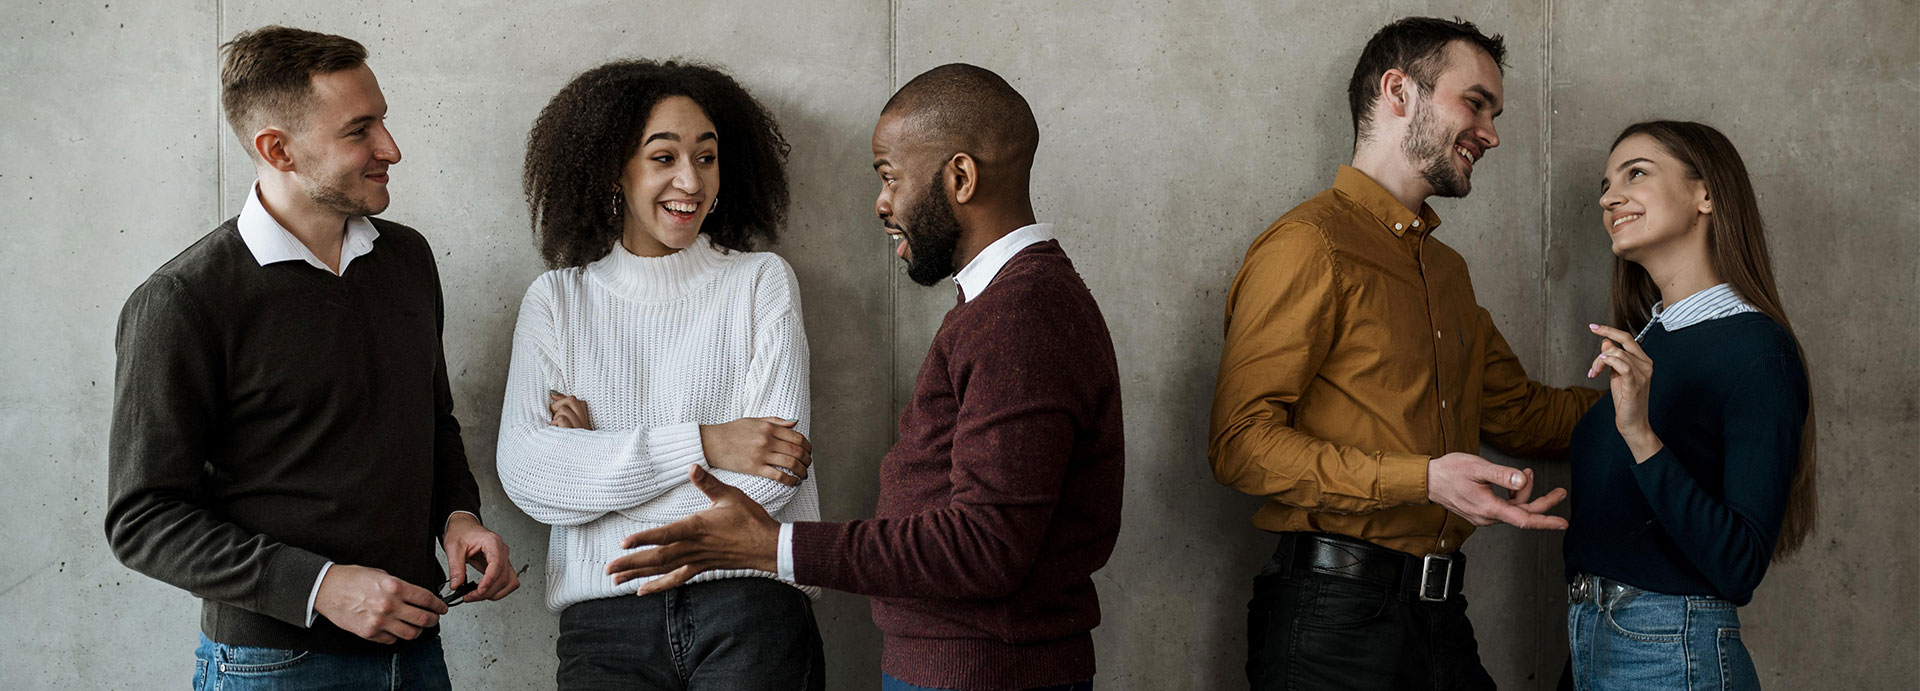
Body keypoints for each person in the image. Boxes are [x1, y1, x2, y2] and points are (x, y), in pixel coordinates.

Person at [604, 63, 1125, 691]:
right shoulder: (1002, 307)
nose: (882, 203)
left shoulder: (1021, 315)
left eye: (890, 176)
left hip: (985, 675)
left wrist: (774, 546)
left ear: (960, 177)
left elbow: (985, 546)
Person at [104, 25, 518, 690]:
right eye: (359, 130)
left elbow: (432, 421)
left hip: (416, 655)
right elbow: (142, 518)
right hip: (272, 667)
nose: (391, 148)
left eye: (382, 120)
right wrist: (320, 586)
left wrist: (458, 517)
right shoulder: (183, 300)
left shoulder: (407, 259)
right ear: (278, 149)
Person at [1207, 16, 1604, 690]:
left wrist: (1654, 398)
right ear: (1398, 91)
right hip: (1332, 624)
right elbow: (1239, 444)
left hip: (1441, 619)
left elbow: (1522, 414)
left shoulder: (1447, 273)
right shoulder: (1309, 244)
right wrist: (1422, 480)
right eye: (1475, 103)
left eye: (1495, 114)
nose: (1491, 133)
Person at [500, 59, 823, 690]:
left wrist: (592, 468)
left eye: (706, 157)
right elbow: (529, 475)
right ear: (614, 170)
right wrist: (709, 442)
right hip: (606, 629)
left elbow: (771, 484)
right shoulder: (557, 302)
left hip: (749, 613)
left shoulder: (760, 282)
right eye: (663, 157)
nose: (690, 180)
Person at [1561, 120, 1816, 691]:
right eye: (1605, 185)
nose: (1609, 198)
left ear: (1706, 195)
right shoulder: (1647, 343)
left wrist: (1641, 436)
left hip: (1670, 651)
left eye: (1635, 174)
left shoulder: (1759, 350)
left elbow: (1740, 565)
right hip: (1591, 639)